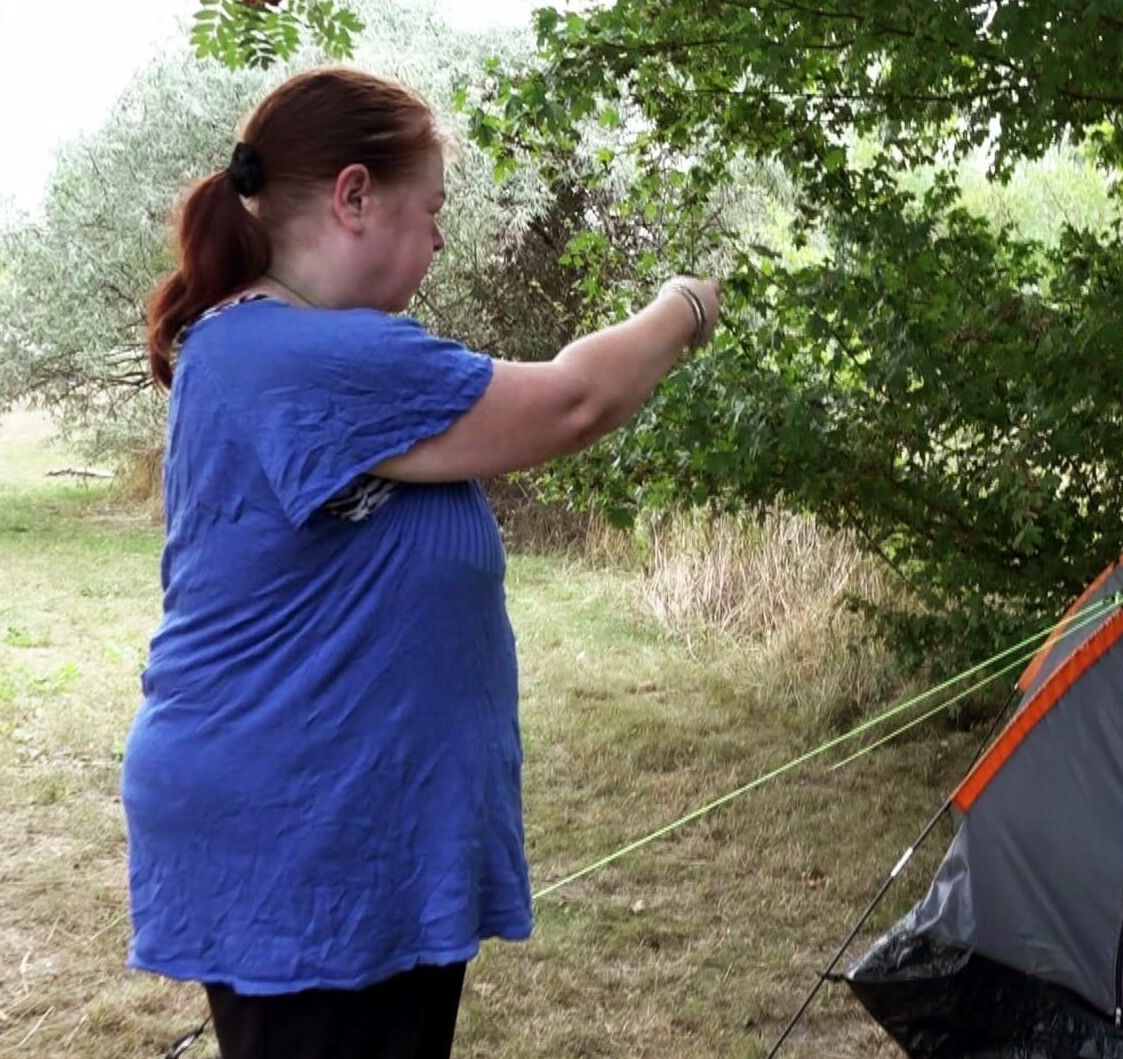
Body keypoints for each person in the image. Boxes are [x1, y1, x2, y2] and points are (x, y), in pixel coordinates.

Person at [122, 66, 720, 1059]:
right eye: (431, 208)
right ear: (354, 196)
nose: (439, 239)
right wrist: (685, 306)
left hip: (336, 824)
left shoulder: (275, 348)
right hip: (303, 835)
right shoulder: (300, 357)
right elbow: (576, 401)